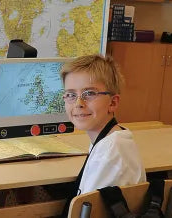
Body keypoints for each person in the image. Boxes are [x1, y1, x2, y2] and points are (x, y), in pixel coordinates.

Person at [60, 54, 146, 215]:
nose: (79, 103)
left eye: (89, 93)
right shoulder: (116, 137)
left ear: (113, 103)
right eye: (71, 95)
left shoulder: (109, 153)